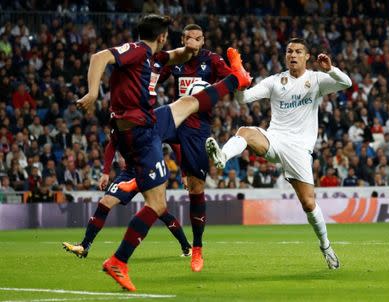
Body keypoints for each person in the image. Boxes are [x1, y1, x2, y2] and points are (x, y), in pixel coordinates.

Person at [75, 14, 251, 291]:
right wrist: (93, 93)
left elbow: (178, 55)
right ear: (162, 37)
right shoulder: (138, 51)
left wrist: (191, 48)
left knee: (189, 103)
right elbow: (99, 58)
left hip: (143, 124)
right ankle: (118, 261)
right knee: (157, 205)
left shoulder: (154, 59)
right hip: (141, 133)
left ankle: (236, 79)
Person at [205, 38, 352, 270]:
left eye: (298, 52)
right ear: (285, 56)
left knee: (308, 203)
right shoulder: (275, 81)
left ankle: (325, 246)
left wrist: (330, 69)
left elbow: (347, 83)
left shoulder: (316, 80)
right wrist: (239, 81)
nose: (293, 55)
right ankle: (222, 157)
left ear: (306, 57)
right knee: (245, 131)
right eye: (289, 51)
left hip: (299, 149)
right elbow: (243, 99)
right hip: (274, 139)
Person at [118, 24, 232, 272]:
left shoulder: (212, 60)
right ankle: (134, 177)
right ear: (182, 39)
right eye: (188, 37)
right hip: (175, 117)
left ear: (203, 40)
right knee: (146, 130)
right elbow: (153, 75)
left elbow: (232, 80)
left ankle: (197, 248)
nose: (193, 41)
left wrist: (232, 77)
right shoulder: (175, 59)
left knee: (196, 188)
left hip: (197, 129)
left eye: (197, 38)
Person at [62, 144, 193, 259]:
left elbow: (176, 145)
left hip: (151, 171)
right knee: (105, 202)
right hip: (129, 172)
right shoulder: (119, 121)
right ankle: (84, 246)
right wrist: (106, 172)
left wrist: (184, 174)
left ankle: (187, 247)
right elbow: (112, 145)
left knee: (160, 211)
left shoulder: (155, 121)